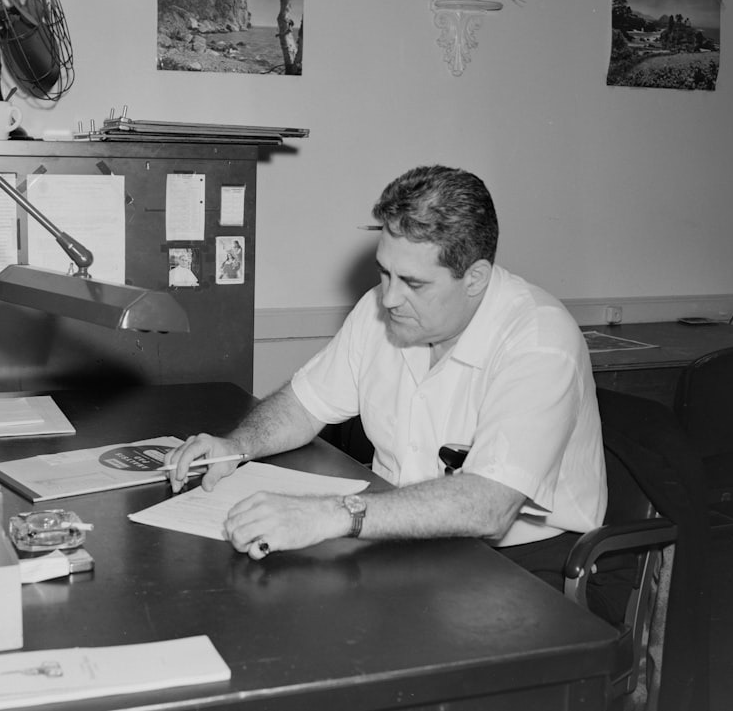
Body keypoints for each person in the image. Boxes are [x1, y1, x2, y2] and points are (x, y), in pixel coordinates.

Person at [166, 166, 613, 615]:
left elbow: (489, 507)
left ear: (475, 278)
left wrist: (328, 514)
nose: (389, 298)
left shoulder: (538, 340)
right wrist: (237, 445)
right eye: (385, 273)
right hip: (405, 535)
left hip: (525, 564)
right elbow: (305, 403)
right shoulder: (383, 311)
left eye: (413, 283)